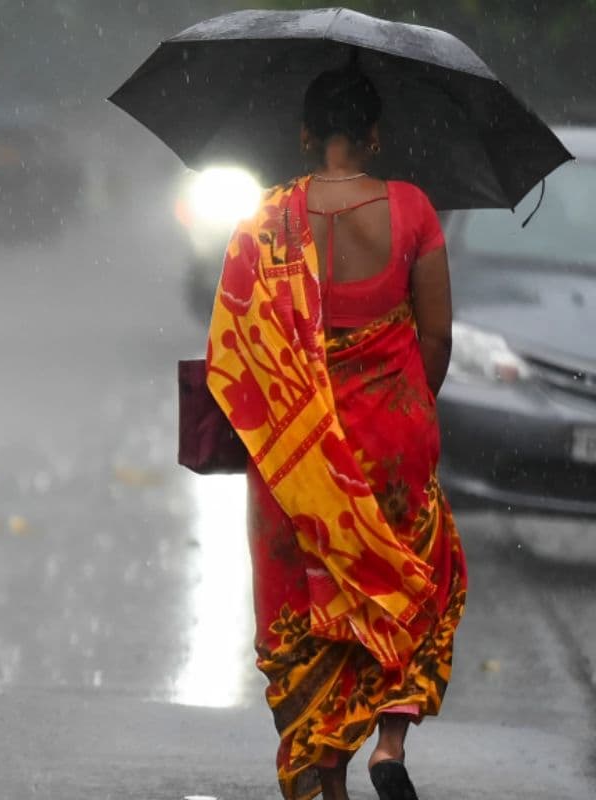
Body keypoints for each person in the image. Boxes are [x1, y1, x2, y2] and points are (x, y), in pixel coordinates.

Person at [206, 65, 467, 800]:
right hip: (393, 433)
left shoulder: (264, 221)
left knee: (310, 606)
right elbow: (437, 337)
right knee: (412, 582)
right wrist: (406, 403)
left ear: (305, 135)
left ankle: (331, 783)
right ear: (375, 134)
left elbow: (237, 347)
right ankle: (390, 742)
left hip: (296, 455)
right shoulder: (412, 209)